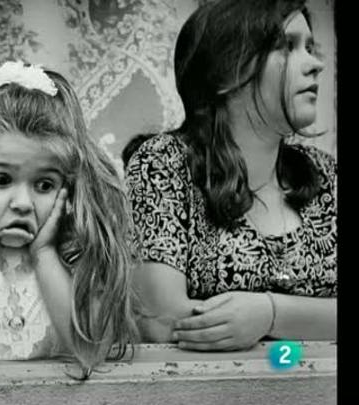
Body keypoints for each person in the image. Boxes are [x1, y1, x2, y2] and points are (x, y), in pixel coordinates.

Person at [125, 0, 335, 351]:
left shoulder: (326, 174)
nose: (316, 64)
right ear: (229, 71)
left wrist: (270, 314)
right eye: (288, 46)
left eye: (310, 48)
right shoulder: (163, 163)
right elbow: (163, 320)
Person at [0, 61, 139, 378]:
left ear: (67, 186)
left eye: (44, 185)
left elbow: (91, 351)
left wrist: (45, 253)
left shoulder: (75, 242)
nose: (22, 203)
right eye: (2, 180)